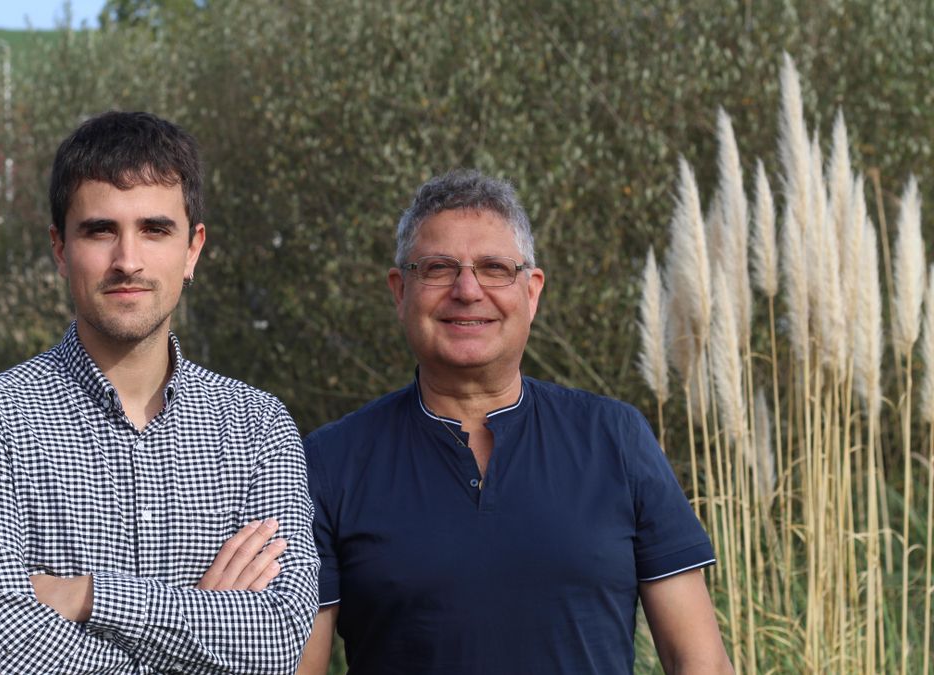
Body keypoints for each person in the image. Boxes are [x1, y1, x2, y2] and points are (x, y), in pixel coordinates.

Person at [0, 111, 318, 674]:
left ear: (192, 250)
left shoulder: (257, 426)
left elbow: (278, 641)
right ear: (60, 249)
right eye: (100, 230)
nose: (127, 260)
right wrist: (206, 627)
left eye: (155, 229)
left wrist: (87, 596)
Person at [298, 170, 732, 674]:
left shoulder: (615, 439)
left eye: (494, 268)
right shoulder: (330, 461)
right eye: (438, 268)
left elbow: (700, 663)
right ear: (400, 292)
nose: (467, 289)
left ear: (531, 291)